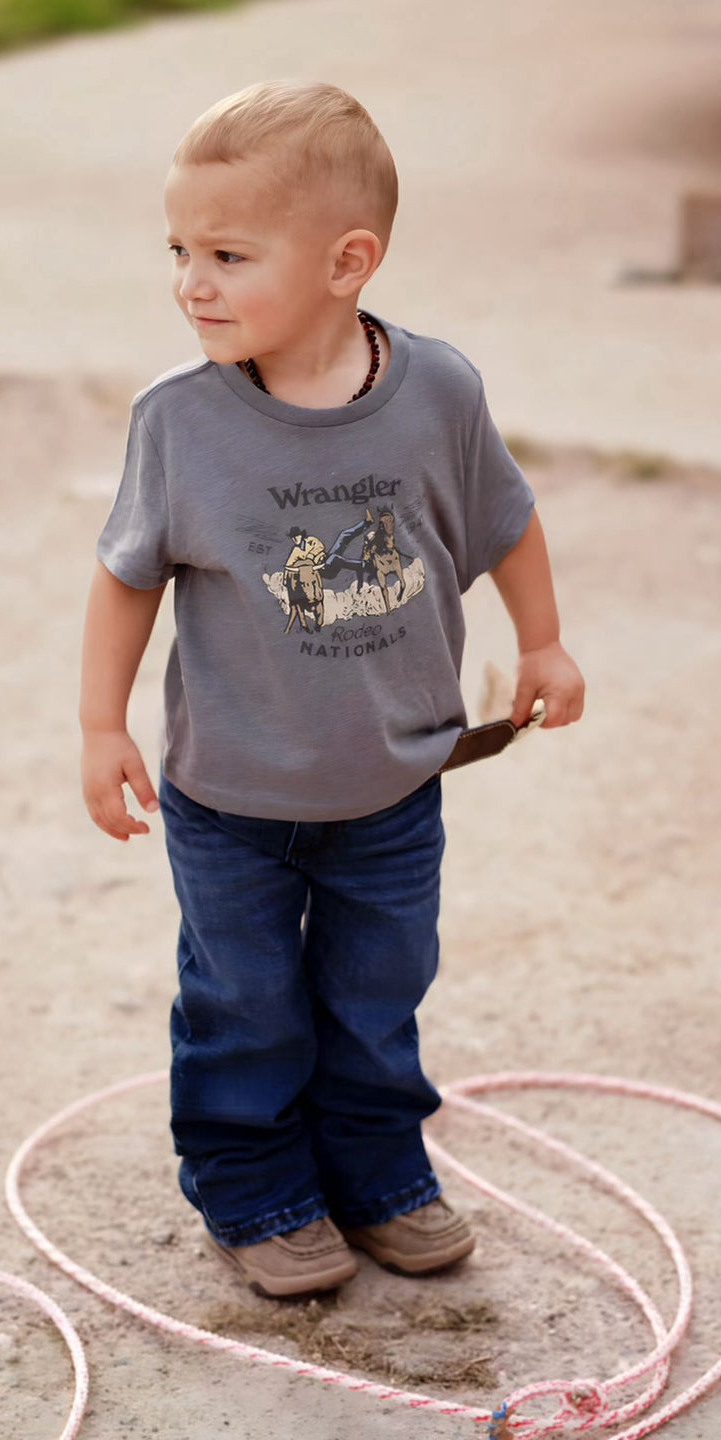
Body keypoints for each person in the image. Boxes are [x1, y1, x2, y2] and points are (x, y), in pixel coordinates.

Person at [80, 81, 584, 1299]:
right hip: (231, 798)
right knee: (244, 1001)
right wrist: (101, 722)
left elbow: (505, 519)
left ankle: (377, 1167)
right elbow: (125, 575)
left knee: (374, 990)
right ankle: (253, 1186)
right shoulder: (181, 421)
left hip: (392, 787)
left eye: (228, 254)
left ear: (347, 260)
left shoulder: (437, 395)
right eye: (180, 252)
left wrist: (545, 642)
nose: (191, 283)